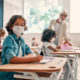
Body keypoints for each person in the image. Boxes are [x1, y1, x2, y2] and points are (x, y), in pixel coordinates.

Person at [0, 15, 43, 80]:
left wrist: (20, 59)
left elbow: (31, 54)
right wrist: (34, 59)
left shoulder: (21, 40)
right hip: (9, 75)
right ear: (11, 26)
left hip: (19, 72)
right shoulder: (9, 39)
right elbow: (12, 59)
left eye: (22, 25)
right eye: (17, 24)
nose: (20, 27)